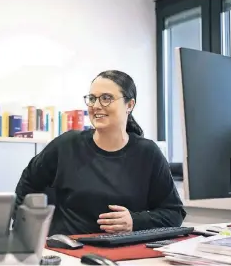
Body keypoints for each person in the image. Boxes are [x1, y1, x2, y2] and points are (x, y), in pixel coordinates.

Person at [13, 70, 186, 236]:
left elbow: (174, 213)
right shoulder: (66, 145)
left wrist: (135, 221)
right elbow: (27, 184)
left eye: (106, 98)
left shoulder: (148, 153)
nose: (96, 106)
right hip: (69, 252)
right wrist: (28, 232)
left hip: (126, 254)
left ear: (130, 105)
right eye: (92, 98)